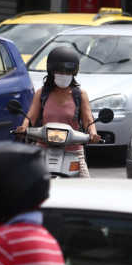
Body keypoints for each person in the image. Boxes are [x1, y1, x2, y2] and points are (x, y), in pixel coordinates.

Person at [16, 45, 101, 177]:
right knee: (28, 181)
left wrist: (93, 134)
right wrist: (23, 127)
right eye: (60, 72)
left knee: (85, 186)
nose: (64, 75)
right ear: (51, 71)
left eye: (68, 72)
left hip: (73, 151)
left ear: (74, 73)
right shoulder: (42, 93)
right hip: (43, 148)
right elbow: (30, 116)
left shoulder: (80, 95)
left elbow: (88, 120)